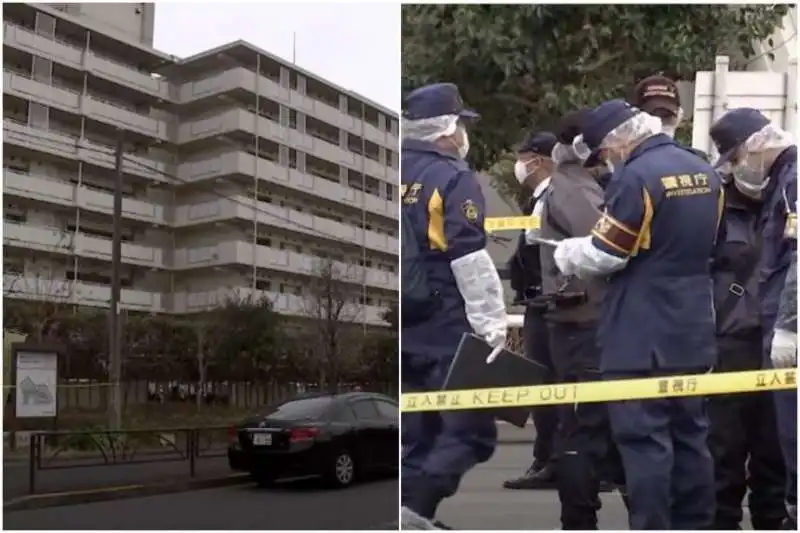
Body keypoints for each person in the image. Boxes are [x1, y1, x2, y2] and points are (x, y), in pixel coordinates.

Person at [552, 99, 723, 530]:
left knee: (644, 443)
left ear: (619, 138)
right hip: (693, 328)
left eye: (606, 151)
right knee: (692, 439)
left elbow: (608, 254)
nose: (608, 161)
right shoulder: (705, 171)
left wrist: (569, 253)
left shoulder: (637, 177)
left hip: (637, 335)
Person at [399, 82, 508, 530]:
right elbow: (468, 254)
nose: (465, 134)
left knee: (416, 433)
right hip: (447, 321)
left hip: (403, 320)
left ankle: (407, 513)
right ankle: (415, 511)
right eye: (462, 123)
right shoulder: (451, 176)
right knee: (473, 430)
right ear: (447, 128)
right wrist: (491, 324)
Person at [711, 108, 798, 530]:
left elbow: (796, 260)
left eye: (734, 156)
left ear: (753, 147)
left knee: (776, 447)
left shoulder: (790, 184)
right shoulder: (718, 202)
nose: (735, 167)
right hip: (733, 341)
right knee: (725, 444)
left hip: (774, 338)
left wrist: (789, 325)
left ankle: (774, 516)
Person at [537, 108, 624, 529]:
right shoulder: (574, 189)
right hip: (583, 321)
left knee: (590, 424)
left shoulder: (578, 183)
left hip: (580, 318)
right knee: (585, 427)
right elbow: (604, 250)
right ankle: (578, 518)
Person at [502, 131, 560, 491]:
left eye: (522, 158)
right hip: (541, 302)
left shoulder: (555, 198)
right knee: (548, 386)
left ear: (537, 160)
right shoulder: (543, 198)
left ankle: (551, 462)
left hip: (550, 304)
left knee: (547, 387)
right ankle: (553, 459)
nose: (519, 166)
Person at [630, 74, 711, 162]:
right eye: (652, 118)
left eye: (666, 117)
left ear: (680, 115)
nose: (660, 125)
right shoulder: (697, 163)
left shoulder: (698, 160)